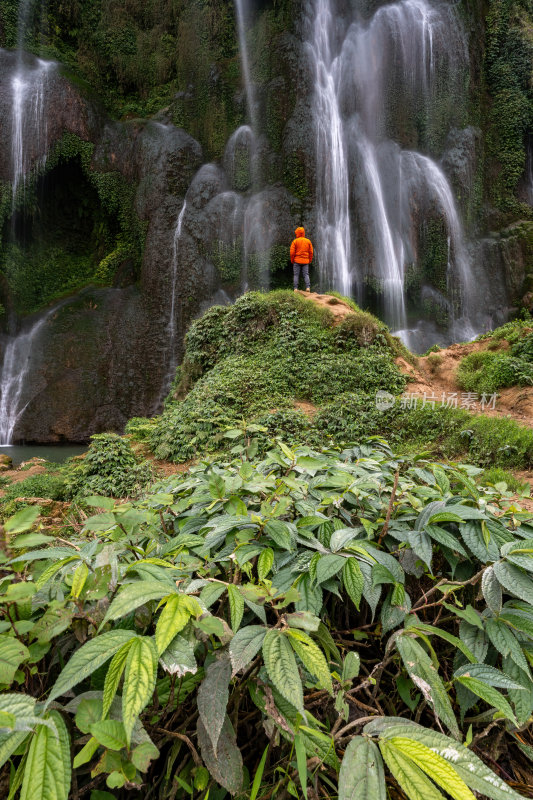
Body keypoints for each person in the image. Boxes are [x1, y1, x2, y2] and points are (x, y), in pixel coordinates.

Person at [290, 226, 313, 292]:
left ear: (297, 233)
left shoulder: (295, 241)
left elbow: (292, 253)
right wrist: (309, 260)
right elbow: (311, 252)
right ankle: (308, 287)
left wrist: (292, 260)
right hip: (305, 261)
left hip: (296, 261)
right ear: (303, 233)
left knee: (296, 275)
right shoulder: (308, 241)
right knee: (306, 274)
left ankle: (295, 288)